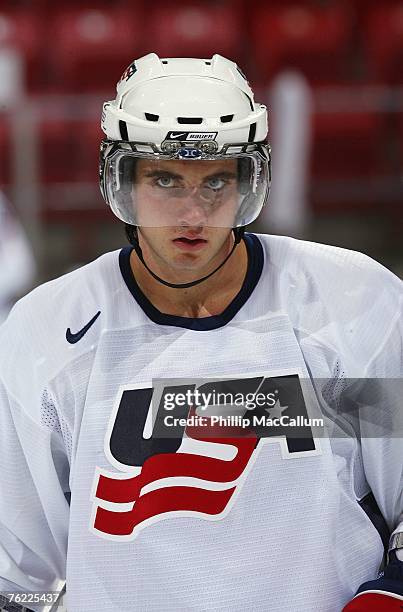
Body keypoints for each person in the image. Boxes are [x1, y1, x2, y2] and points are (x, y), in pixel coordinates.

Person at [0, 53, 402, 612]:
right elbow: (17, 573)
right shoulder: (45, 332)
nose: (193, 214)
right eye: (165, 179)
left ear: (248, 184)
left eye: (216, 181)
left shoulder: (353, 303)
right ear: (122, 182)